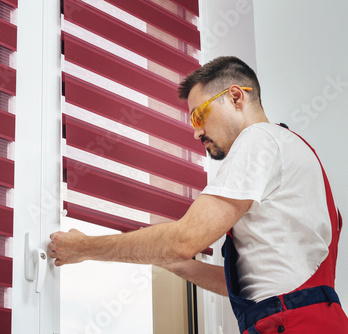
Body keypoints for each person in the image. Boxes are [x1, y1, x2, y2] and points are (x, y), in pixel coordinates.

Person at [49, 56, 348, 333]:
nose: (195, 132)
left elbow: (184, 240)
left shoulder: (258, 140)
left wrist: (84, 248)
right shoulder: (293, 152)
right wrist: (165, 258)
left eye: (199, 115)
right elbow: (255, 284)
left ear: (235, 96)